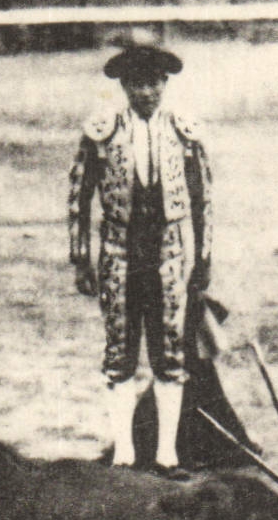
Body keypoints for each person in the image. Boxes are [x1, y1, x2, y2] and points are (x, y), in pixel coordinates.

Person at [68, 47, 212, 478]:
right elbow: (79, 196)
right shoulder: (102, 131)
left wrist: (203, 259)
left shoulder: (183, 131)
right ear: (124, 87)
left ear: (165, 84)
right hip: (117, 253)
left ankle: (167, 455)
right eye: (137, 84)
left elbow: (204, 199)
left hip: (168, 254)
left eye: (154, 83)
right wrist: (80, 259)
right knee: (120, 353)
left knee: (169, 353)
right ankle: (125, 455)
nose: (146, 92)